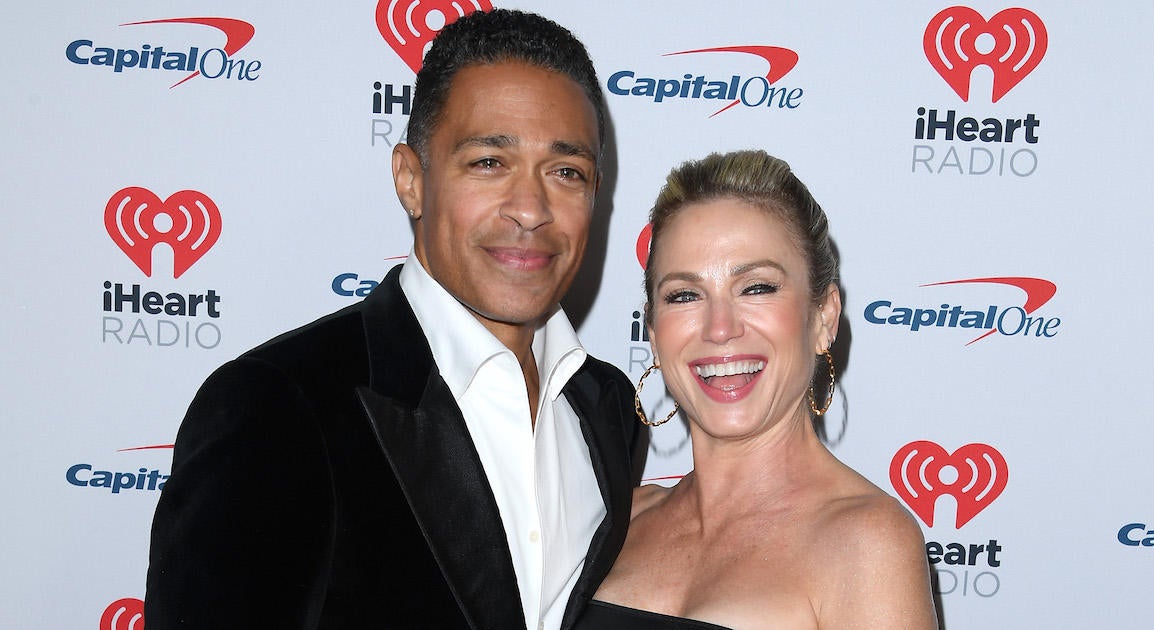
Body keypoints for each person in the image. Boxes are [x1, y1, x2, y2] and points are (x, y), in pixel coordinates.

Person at [145, 9, 644, 629]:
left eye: (566, 172)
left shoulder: (608, 408)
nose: (530, 208)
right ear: (411, 179)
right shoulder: (278, 405)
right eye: (489, 162)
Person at [581, 150, 937, 629]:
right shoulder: (620, 522)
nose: (719, 328)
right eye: (684, 295)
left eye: (757, 288)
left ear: (823, 317)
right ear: (654, 334)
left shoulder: (866, 543)